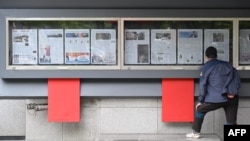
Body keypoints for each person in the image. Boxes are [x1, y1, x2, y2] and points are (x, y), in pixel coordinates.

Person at [186, 46, 240, 139]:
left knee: (200, 110)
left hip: (216, 99)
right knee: (231, 121)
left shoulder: (206, 67)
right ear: (216, 55)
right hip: (231, 97)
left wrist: (201, 101)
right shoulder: (228, 65)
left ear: (206, 56)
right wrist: (232, 92)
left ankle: (195, 132)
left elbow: (203, 86)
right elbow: (237, 80)